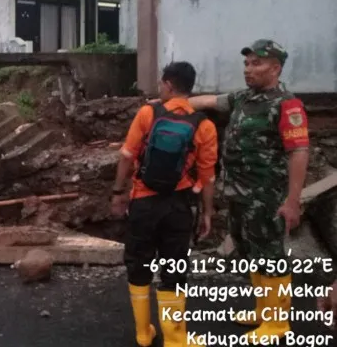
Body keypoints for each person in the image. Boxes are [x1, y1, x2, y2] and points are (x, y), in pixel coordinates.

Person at [187, 39, 310, 342]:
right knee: (251, 251)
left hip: (268, 195)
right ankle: (262, 310)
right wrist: (171, 104)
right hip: (240, 194)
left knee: (270, 254)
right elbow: (208, 101)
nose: (248, 69)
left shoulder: (286, 105)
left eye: (257, 63)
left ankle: (277, 323)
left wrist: (293, 201)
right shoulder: (243, 98)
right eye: (246, 63)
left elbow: (299, 152)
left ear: (276, 68)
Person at [111, 61, 219, 347]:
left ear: (169, 85)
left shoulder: (148, 113)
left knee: (139, 263)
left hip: (143, 202)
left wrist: (118, 193)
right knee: (173, 268)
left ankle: (143, 333)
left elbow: (126, 156)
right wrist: (208, 212)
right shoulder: (204, 125)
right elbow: (207, 177)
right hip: (178, 206)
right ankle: (175, 338)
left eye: (161, 84)